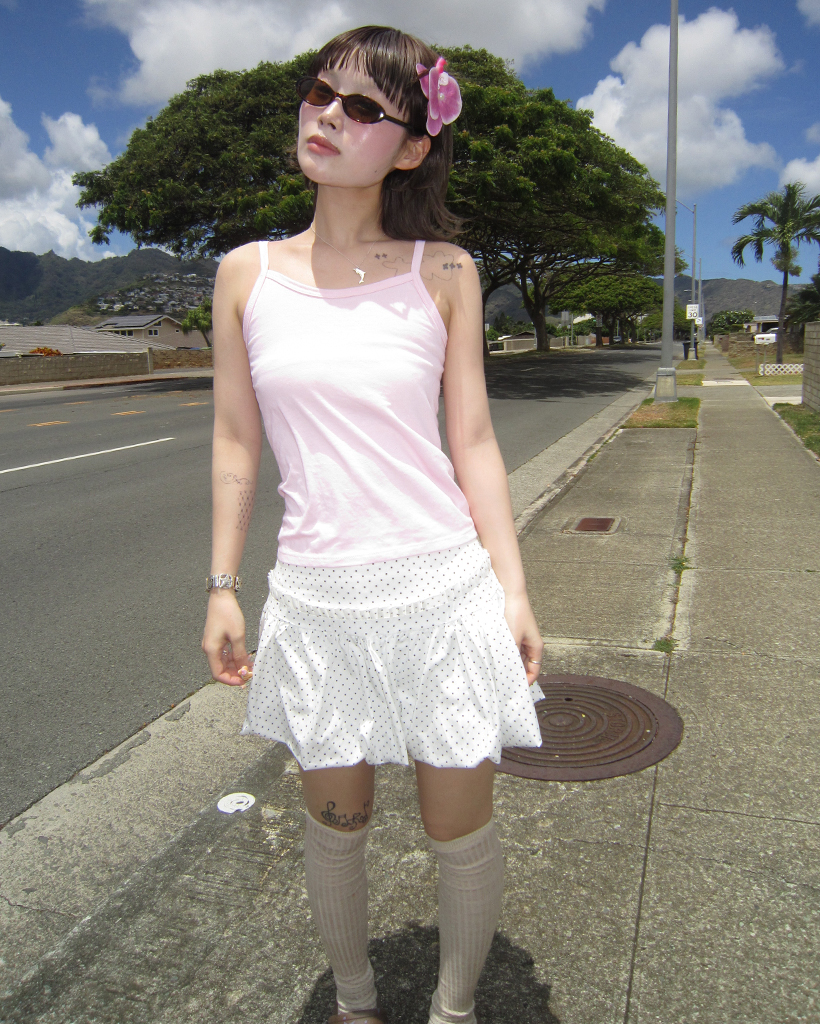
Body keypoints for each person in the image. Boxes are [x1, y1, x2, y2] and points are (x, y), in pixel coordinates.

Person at [202, 25, 543, 1024]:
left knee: (459, 834)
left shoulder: (446, 271)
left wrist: (514, 589)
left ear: (410, 146)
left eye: (362, 108)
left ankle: (453, 1009)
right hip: (317, 605)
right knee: (335, 829)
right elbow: (236, 441)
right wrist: (222, 585)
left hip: (442, 595)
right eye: (320, 93)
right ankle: (354, 1005)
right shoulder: (245, 274)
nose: (327, 116)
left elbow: (472, 440)